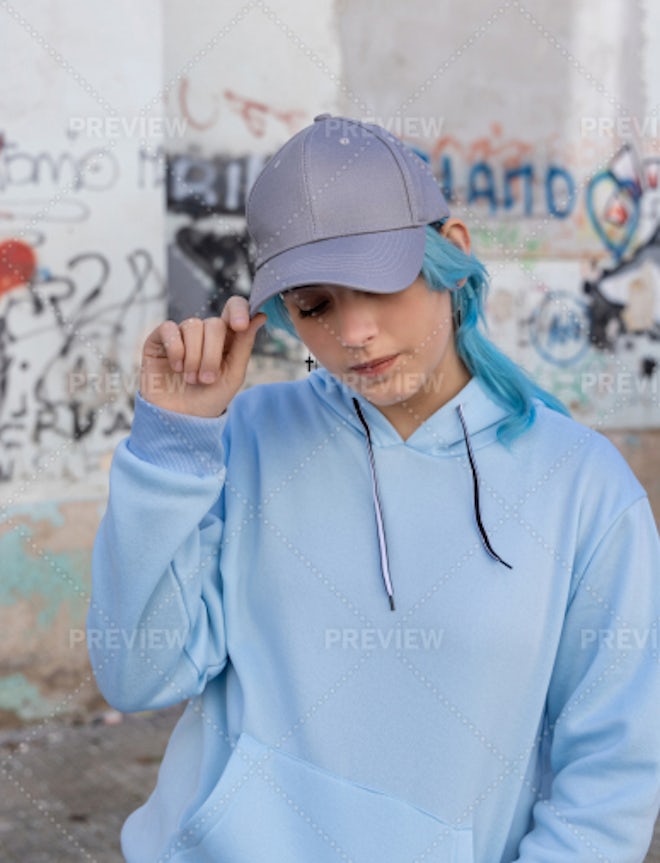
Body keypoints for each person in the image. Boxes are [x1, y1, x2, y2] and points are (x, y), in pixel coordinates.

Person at [87, 114, 660, 863]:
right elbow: (136, 672)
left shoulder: (584, 486)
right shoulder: (245, 437)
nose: (353, 332)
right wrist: (171, 446)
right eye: (315, 304)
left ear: (452, 247)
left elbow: (610, 780)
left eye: (379, 282)